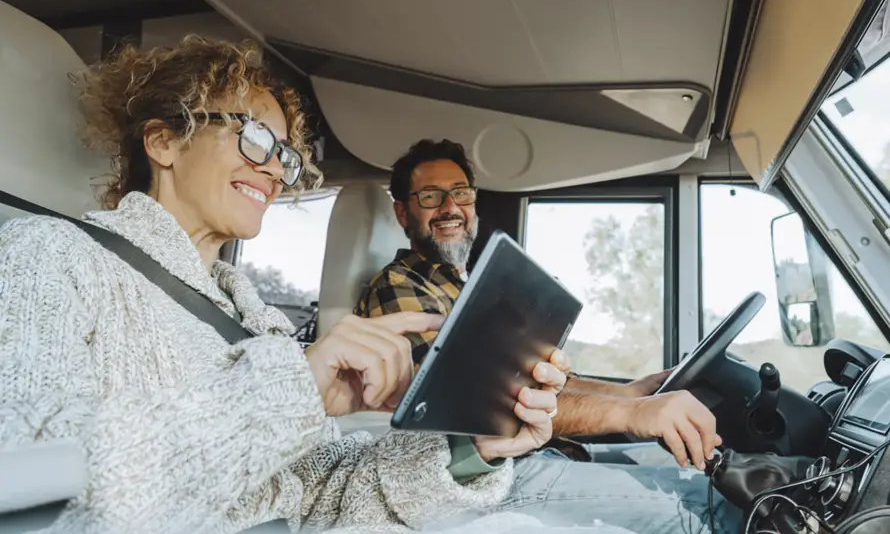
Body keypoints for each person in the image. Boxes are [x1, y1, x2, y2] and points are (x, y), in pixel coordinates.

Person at [0, 38, 576, 534]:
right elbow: (26, 481)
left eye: (285, 156)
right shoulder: (49, 255)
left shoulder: (255, 320)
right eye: (254, 139)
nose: (276, 171)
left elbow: (323, 497)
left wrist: (468, 450)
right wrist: (289, 389)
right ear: (164, 142)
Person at [355, 139, 742, 533]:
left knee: (713, 477)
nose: (451, 207)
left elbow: (529, 384)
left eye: (461, 193)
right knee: (706, 509)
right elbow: (472, 411)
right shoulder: (399, 288)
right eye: (431, 196)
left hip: (537, 453)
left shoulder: (471, 288)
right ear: (403, 212)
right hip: (485, 479)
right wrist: (630, 412)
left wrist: (631, 391)